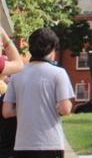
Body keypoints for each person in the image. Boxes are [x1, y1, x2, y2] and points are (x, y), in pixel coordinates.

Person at [2, 28, 75, 158]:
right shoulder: (58, 73)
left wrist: (25, 108)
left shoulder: (17, 74)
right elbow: (65, 109)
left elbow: (7, 112)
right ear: (53, 48)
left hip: (22, 144)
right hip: (50, 142)